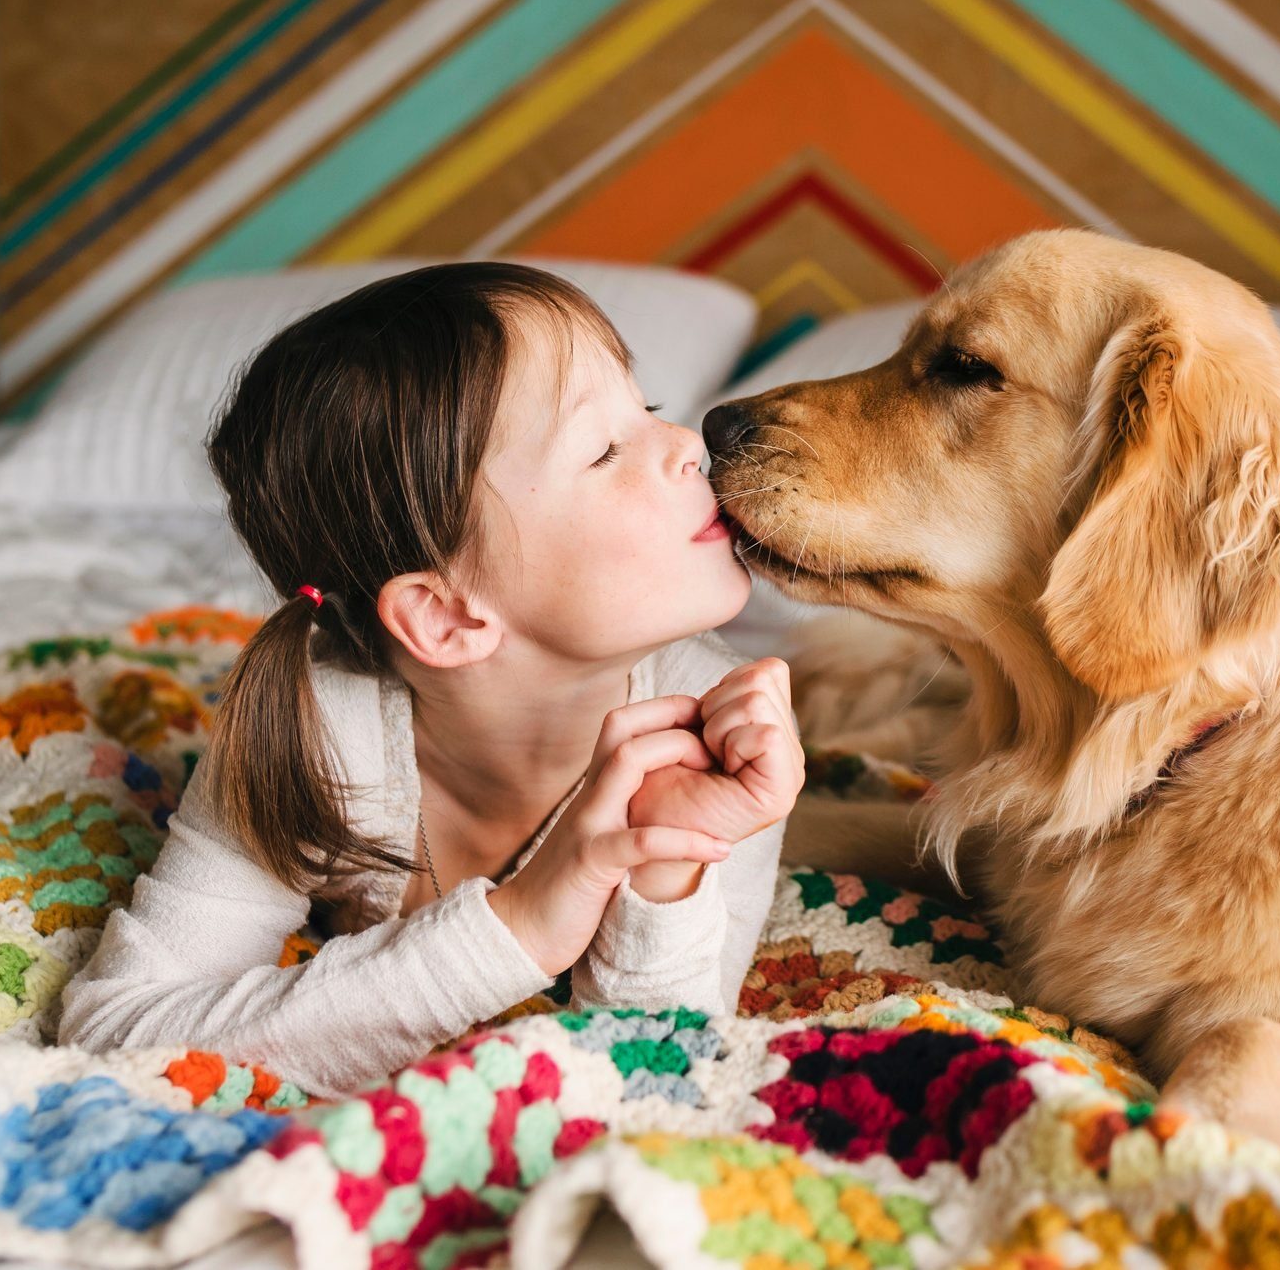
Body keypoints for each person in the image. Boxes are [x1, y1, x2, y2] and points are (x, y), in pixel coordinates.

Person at [57, 263, 801, 1094]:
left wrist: (669, 863)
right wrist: (517, 926)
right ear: (445, 618)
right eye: (602, 449)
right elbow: (115, 1030)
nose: (688, 443)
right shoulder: (317, 731)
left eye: (649, 407)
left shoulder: (720, 730)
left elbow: (659, 1076)